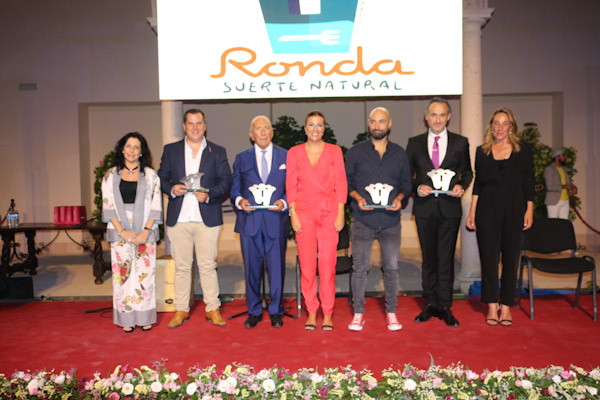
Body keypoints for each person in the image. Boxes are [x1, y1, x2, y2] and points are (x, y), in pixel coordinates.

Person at [157, 109, 233, 328]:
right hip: (179, 218)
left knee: (208, 265)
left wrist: (209, 194)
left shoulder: (217, 151)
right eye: (191, 123)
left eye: (199, 123)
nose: (195, 127)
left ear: (205, 126)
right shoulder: (171, 150)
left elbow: (226, 181)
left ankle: (212, 308)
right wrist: (172, 189)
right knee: (182, 267)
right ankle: (181, 309)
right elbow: (161, 178)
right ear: (184, 127)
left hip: (207, 217)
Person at [406, 97, 473, 327]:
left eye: (442, 115)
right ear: (426, 118)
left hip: (449, 209)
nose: (437, 119)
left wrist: (461, 186)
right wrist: (418, 187)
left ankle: (445, 305)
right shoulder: (414, 143)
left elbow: (467, 172)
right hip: (424, 209)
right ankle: (429, 303)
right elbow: (407, 175)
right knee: (428, 259)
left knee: (446, 258)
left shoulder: (460, 142)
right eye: (433, 115)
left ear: (448, 117)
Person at [345, 107, 412, 331]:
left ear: (389, 124)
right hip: (363, 220)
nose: (377, 126)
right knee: (359, 268)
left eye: (381, 121)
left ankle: (391, 312)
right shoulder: (356, 152)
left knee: (391, 268)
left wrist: (400, 198)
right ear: (369, 124)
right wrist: (357, 197)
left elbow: (406, 184)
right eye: (373, 122)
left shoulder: (399, 154)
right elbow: (347, 183)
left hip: (390, 221)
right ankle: (358, 313)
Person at [466, 107, 534, 327]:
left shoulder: (523, 150)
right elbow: (478, 184)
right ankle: (491, 304)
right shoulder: (481, 151)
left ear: (511, 127)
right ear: (491, 126)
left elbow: (529, 182)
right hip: (486, 209)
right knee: (489, 259)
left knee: (511, 259)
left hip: (515, 209)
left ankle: (506, 306)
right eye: (496, 123)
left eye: (505, 123)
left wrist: (529, 209)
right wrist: (472, 212)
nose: (500, 127)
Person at [286, 110, 347, 331]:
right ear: (305, 128)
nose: (315, 129)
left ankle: (328, 312)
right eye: (311, 124)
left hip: (329, 211)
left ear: (324, 128)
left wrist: (340, 213)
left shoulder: (334, 151)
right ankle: (312, 310)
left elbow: (341, 183)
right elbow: (290, 185)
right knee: (307, 264)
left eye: (319, 125)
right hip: (303, 212)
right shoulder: (294, 152)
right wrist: (293, 214)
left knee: (328, 264)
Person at [231, 116, 289, 329]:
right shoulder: (241, 158)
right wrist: (239, 201)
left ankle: (276, 311)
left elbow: (294, 186)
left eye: (267, 128)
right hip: (250, 221)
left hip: (276, 221)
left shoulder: (286, 156)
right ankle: (254, 311)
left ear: (272, 132)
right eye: (258, 129)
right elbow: (234, 187)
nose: (263, 132)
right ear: (251, 134)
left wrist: (285, 202)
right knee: (252, 270)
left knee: (276, 270)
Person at [102, 132, 162, 333]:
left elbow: (156, 205)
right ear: (122, 149)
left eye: (136, 147)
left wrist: (146, 230)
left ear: (142, 152)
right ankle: (126, 317)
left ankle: (145, 317)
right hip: (120, 230)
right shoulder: (110, 176)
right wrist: (122, 232)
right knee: (123, 276)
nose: (132, 150)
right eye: (128, 146)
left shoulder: (151, 176)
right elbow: (108, 206)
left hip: (145, 229)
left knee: (145, 276)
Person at [544, 147, 576, 219]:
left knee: (564, 223)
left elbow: (568, 183)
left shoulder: (564, 169)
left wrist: (573, 187)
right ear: (557, 157)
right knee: (553, 223)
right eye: (563, 155)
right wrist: (565, 186)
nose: (565, 157)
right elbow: (550, 187)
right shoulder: (549, 169)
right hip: (553, 201)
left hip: (565, 201)